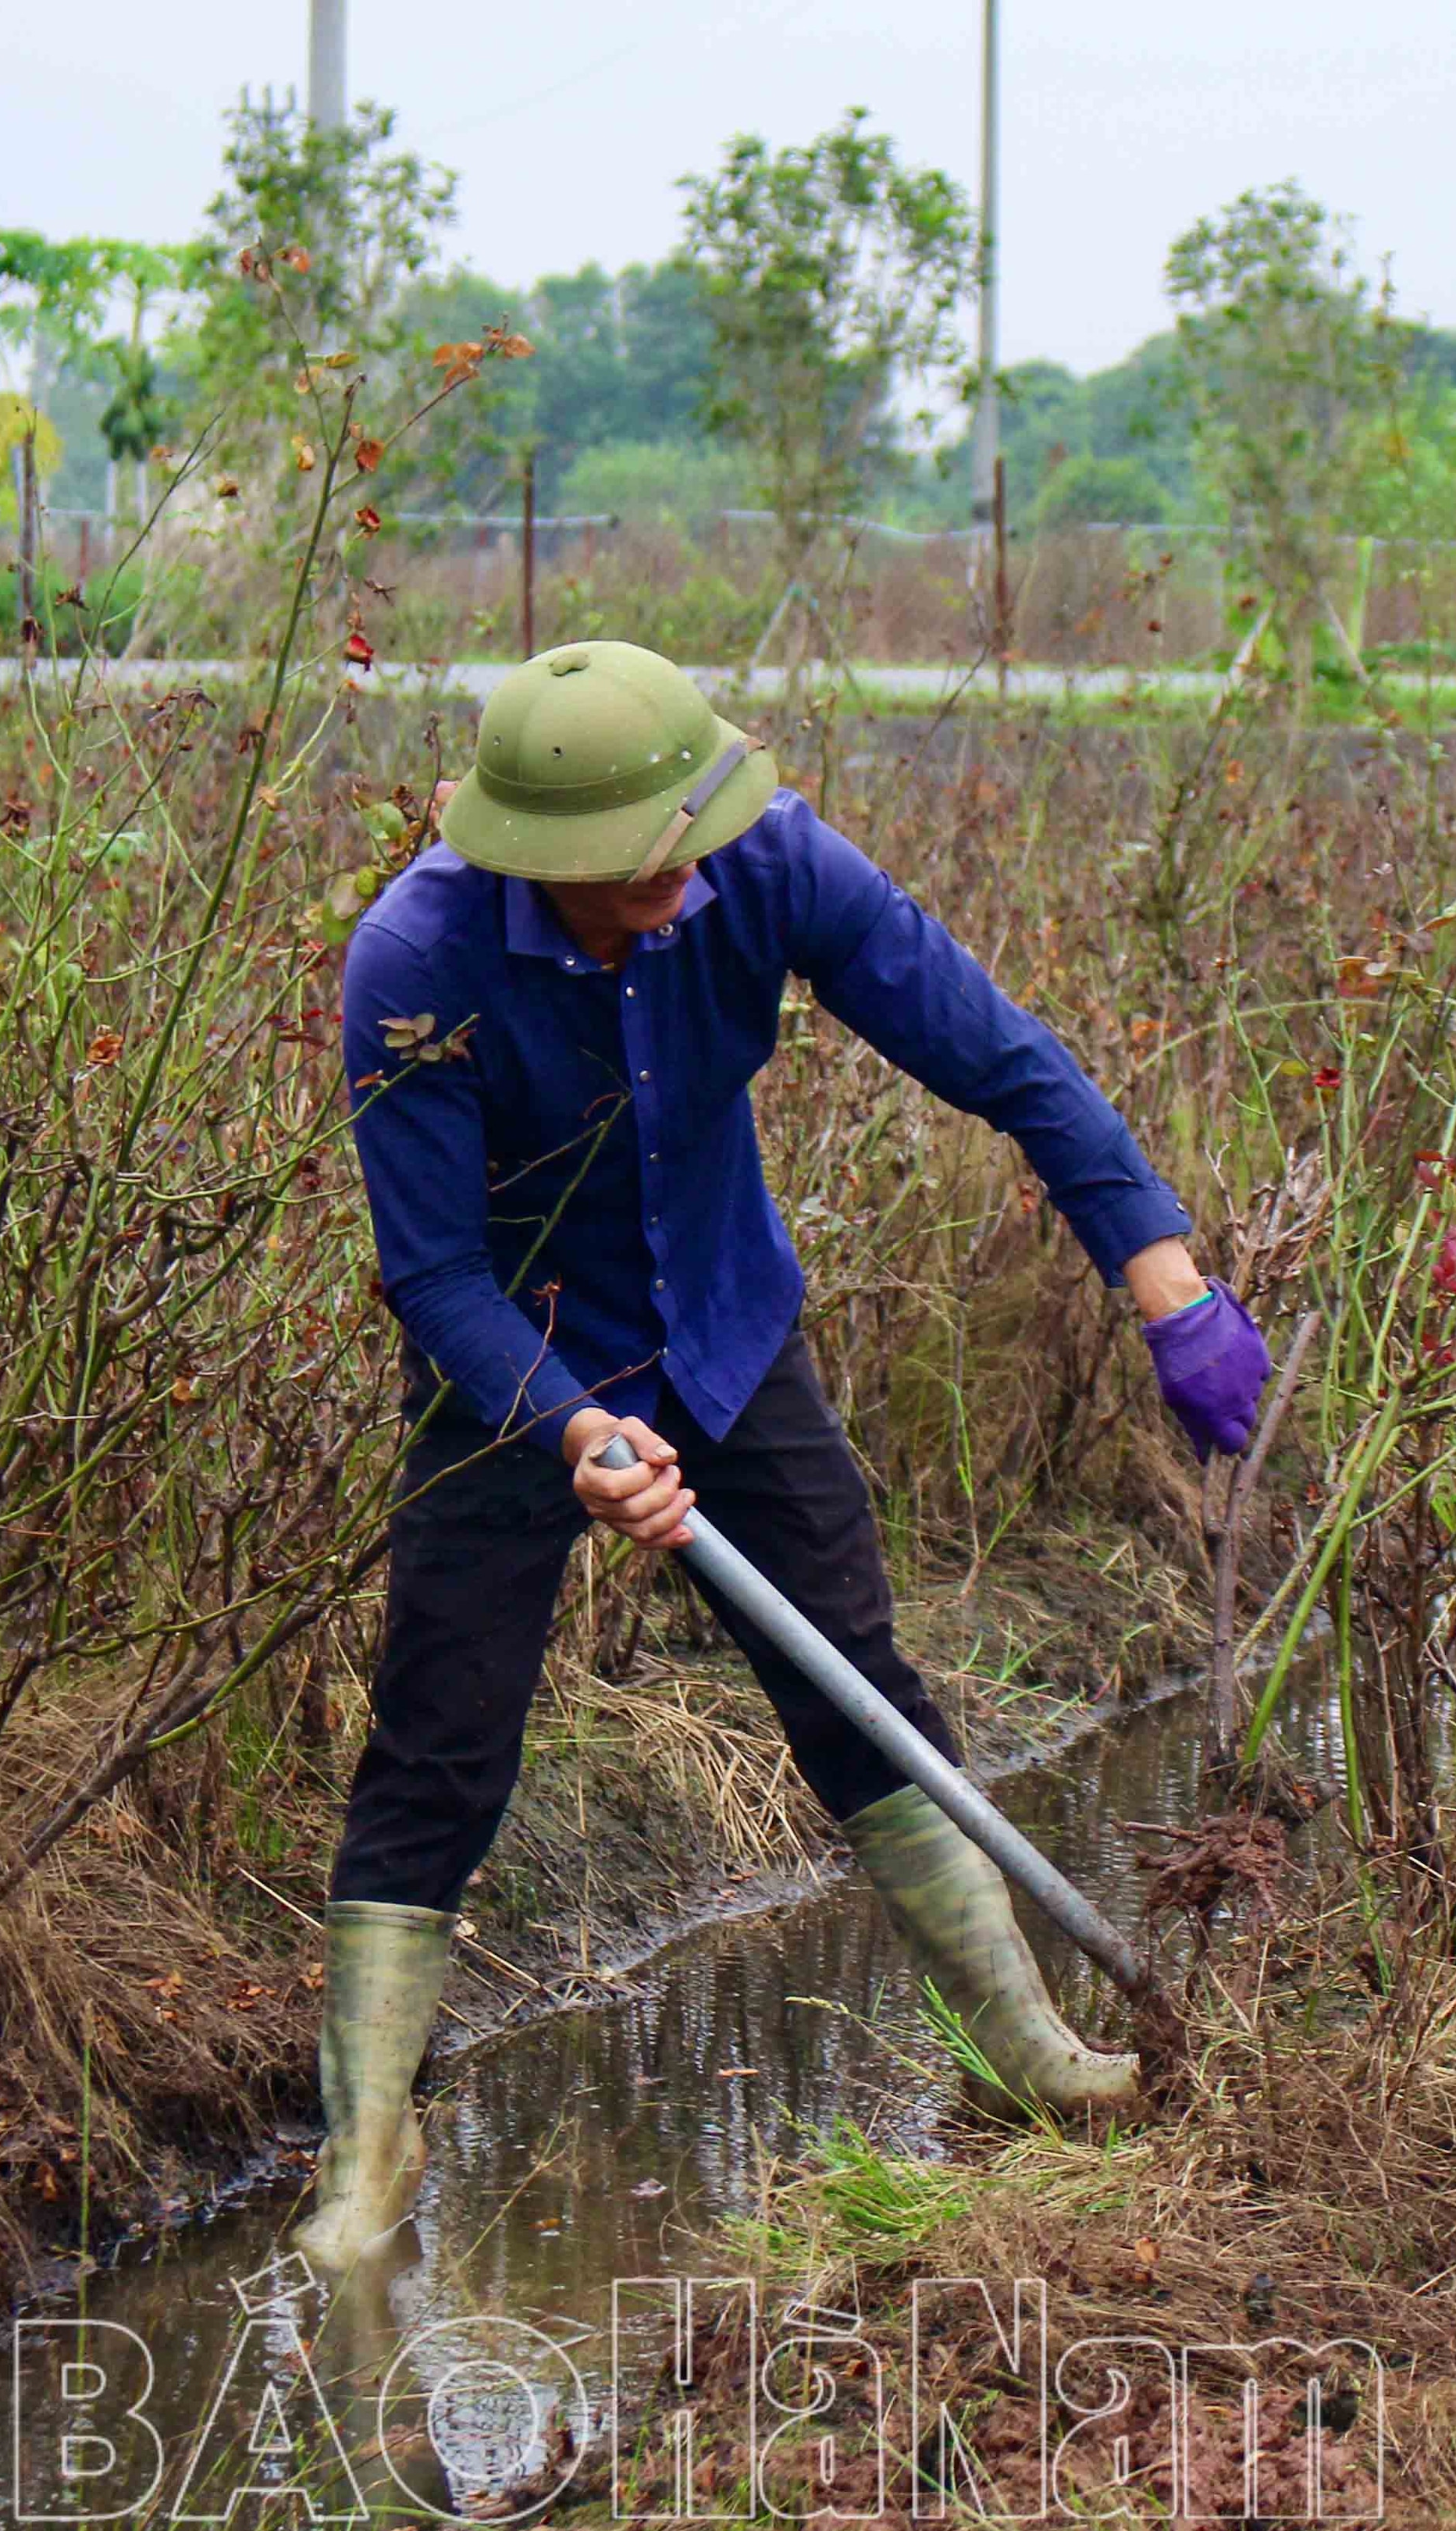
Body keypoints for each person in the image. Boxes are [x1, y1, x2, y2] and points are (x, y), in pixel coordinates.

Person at [297, 639, 1269, 2266]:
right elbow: (435, 1272)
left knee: (857, 1685)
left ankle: (1028, 2047)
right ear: (553, 861)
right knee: (441, 1740)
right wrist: (577, 1430)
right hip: (511, 1366)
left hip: (728, 1332)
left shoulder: (766, 857)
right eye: (646, 864)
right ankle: (364, 2158)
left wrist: (1160, 1269)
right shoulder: (418, 958)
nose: (685, 879)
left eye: (694, 838)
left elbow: (995, 1051)